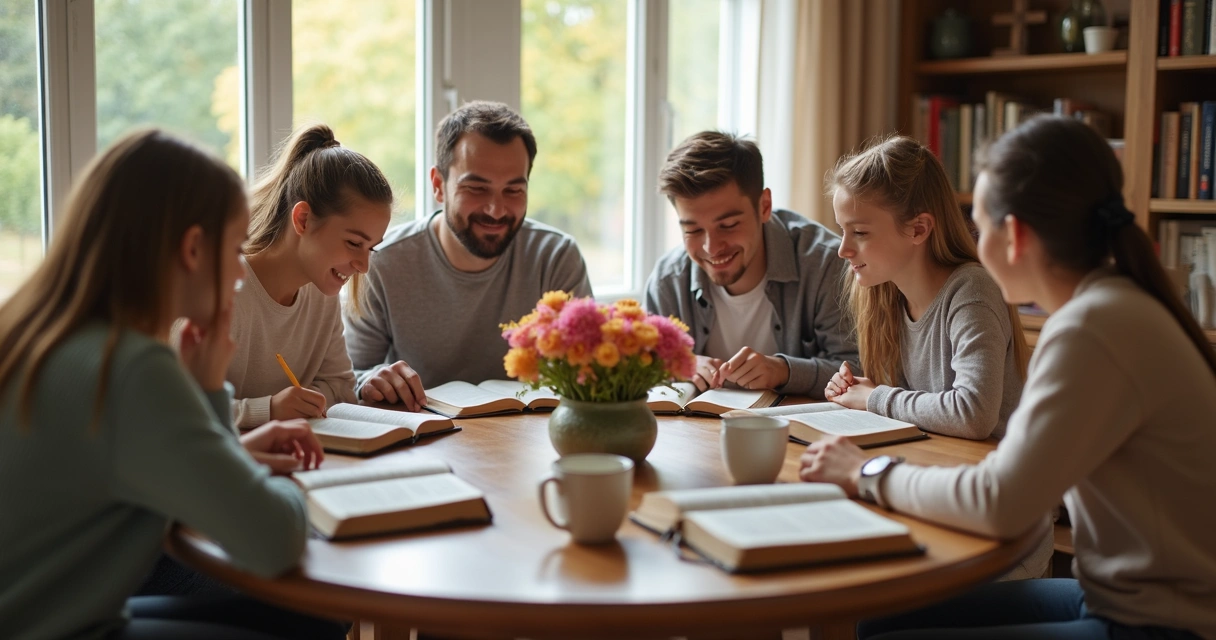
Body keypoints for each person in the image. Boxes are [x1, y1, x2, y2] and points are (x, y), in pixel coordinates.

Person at [802, 116, 1216, 639]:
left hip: (1160, 624)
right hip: (1113, 596)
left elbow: (999, 503)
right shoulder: (1111, 305)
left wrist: (866, 472)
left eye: (980, 221)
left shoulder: (1093, 328)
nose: (973, 238)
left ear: (1014, 234)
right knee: (878, 623)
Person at [0, 129, 342, 639]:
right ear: (191, 248)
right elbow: (276, 538)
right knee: (319, 610)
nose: (239, 274)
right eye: (233, 249)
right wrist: (294, 486)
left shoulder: (46, 334)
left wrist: (225, 440)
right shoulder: (134, 368)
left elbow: (133, 468)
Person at [344, 100, 592, 409]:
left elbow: (588, 371)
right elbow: (350, 376)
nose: (496, 210)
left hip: (530, 440)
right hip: (424, 441)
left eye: (514, 190)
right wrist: (372, 381)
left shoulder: (556, 257)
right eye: (476, 188)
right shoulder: (382, 262)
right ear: (438, 185)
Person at [823, 135, 1029, 440]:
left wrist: (874, 397)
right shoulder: (884, 293)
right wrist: (855, 388)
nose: (843, 249)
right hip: (935, 460)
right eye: (843, 230)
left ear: (918, 229)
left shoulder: (972, 291)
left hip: (989, 472)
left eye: (860, 232)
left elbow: (974, 415)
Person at [644, 131, 858, 397]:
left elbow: (858, 368)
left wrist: (783, 371)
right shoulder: (668, 280)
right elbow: (641, 363)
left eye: (729, 225)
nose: (712, 247)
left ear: (764, 206)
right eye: (693, 231)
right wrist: (681, 365)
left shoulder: (827, 264)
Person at [228, 123, 392, 429]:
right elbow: (172, 408)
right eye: (354, 243)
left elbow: (341, 388)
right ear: (303, 219)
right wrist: (268, 409)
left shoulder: (320, 289)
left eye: (372, 248)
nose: (363, 266)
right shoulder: (225, 290)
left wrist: (304, 402)